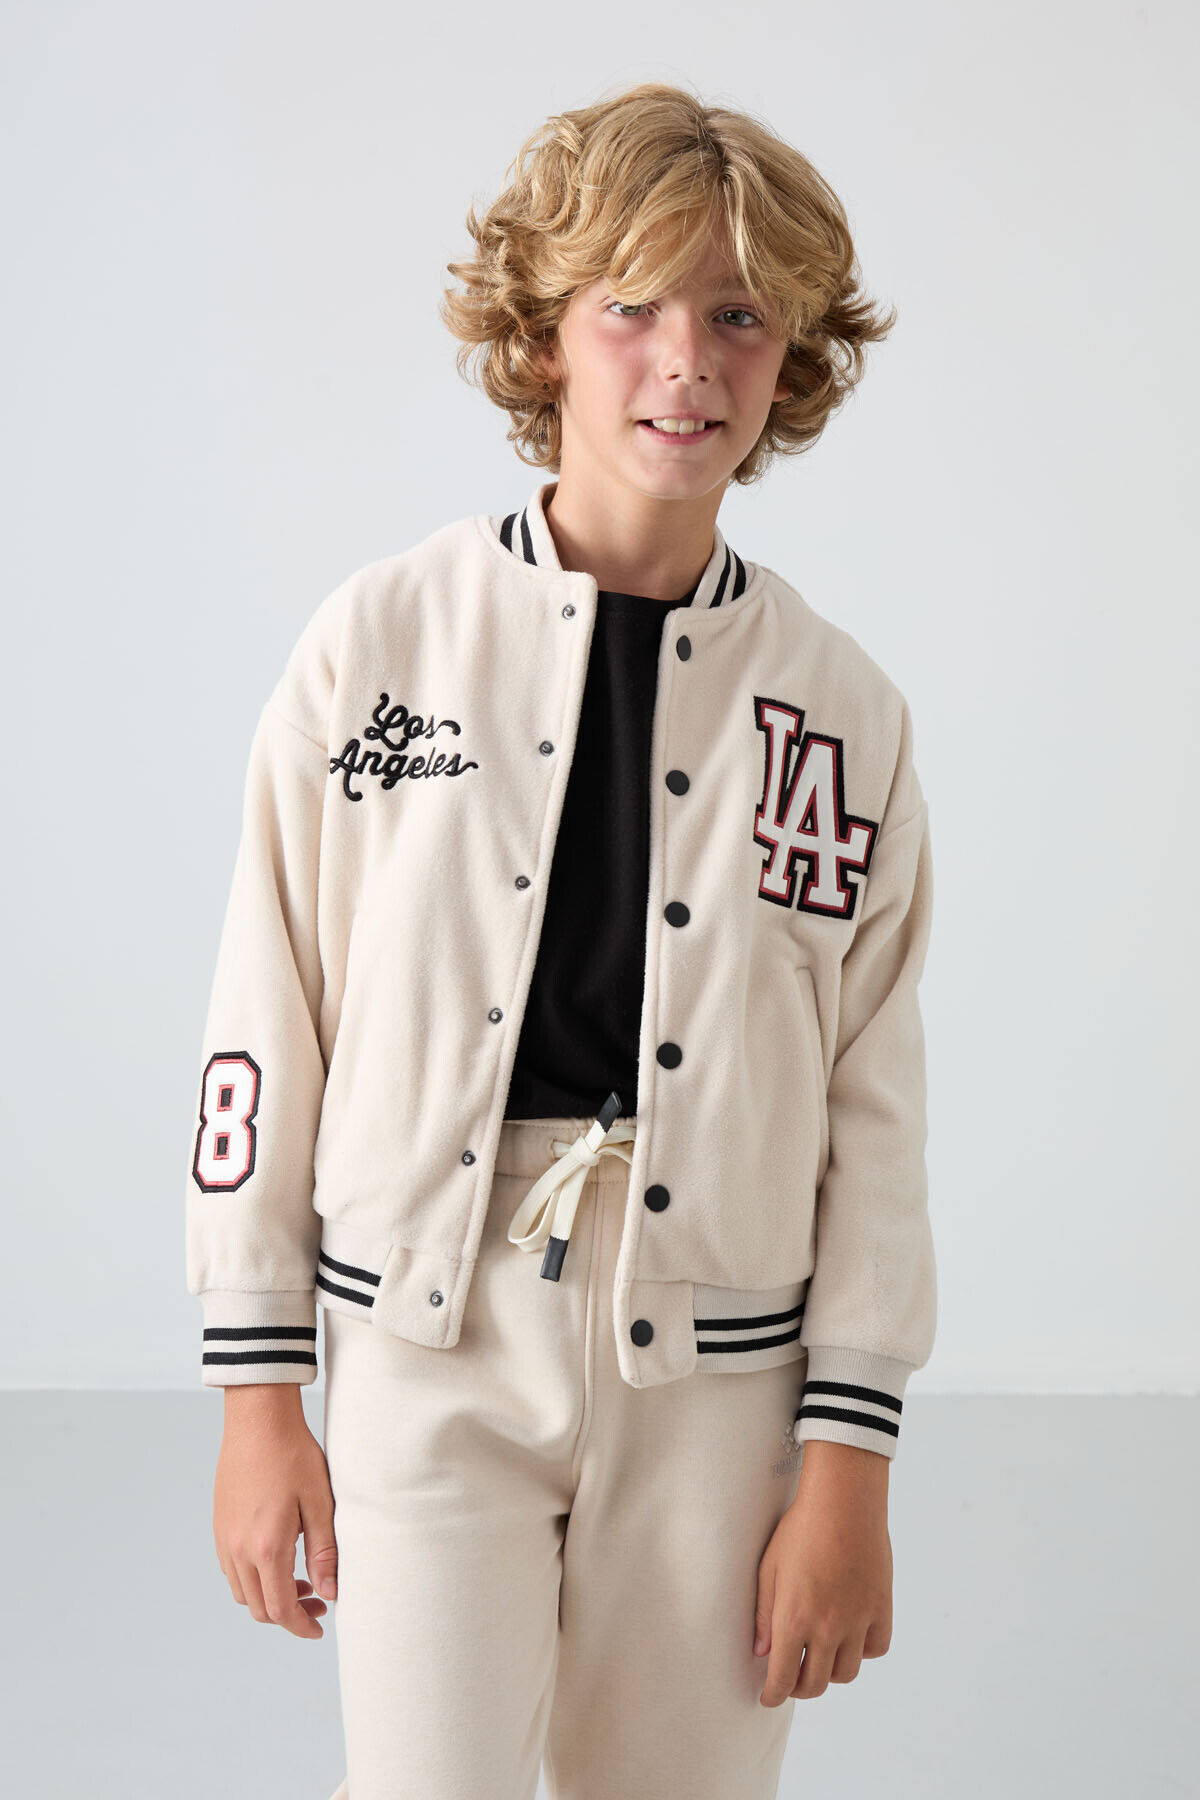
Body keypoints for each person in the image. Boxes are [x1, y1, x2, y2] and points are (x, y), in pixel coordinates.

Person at [186, 79, 937, 1800]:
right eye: (632, 308)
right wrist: (257, 1396)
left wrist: (849, 1468)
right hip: (424, 1348)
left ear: (792, 357)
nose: (688, 362)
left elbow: (877, 1109)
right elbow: (265, 1010)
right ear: (541, 338)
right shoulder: (379, 647)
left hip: (721, 1389)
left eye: (739, 315)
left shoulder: (843, 715)